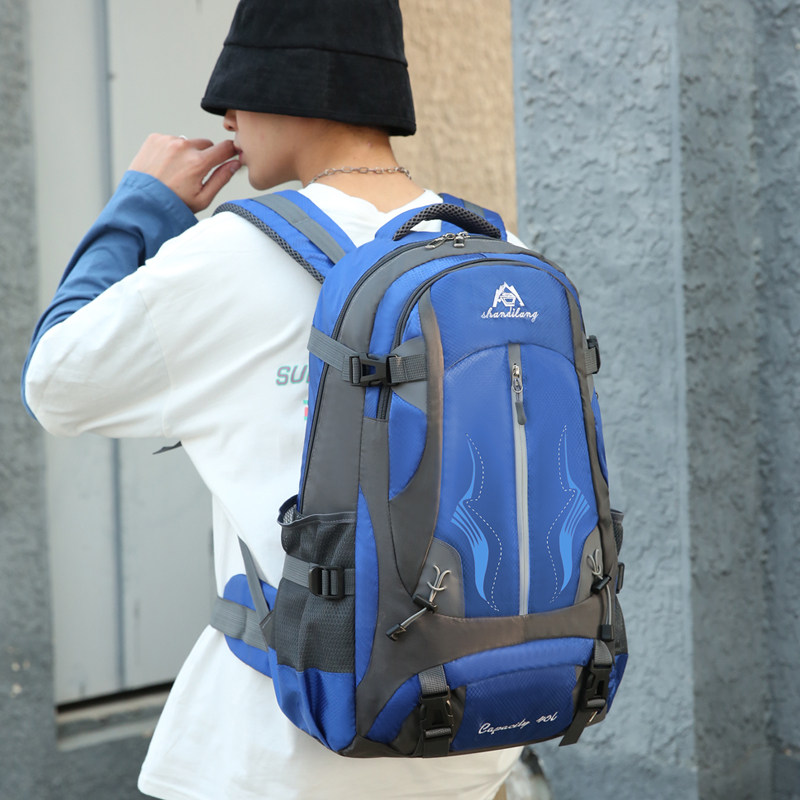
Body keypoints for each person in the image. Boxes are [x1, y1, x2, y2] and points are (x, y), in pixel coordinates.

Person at [23, 1, 526, 798]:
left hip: (285, 746)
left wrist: (141, 204)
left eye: (238, 89)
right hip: (474, 733)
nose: (225, 115)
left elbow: (55, 382)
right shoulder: (495, 252)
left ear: (292, 85)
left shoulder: (231, 255)